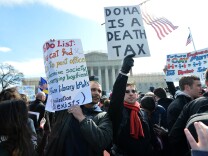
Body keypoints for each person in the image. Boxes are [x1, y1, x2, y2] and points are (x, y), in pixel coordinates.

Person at [45, 80, 112, 156]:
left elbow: (102, 142)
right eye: (93, 89)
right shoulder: (69, 110)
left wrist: (82, 118)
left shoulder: (104, 116)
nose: (97, 93)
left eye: (99, 91)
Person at [108, 54, 156, 156]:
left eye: (133, 91)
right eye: (126, 91)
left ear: (137, 94)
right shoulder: (118, 111)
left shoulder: (143, 112)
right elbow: (116, 97)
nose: (130, 93)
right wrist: (124, 72)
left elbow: (151, 136)